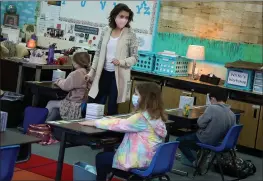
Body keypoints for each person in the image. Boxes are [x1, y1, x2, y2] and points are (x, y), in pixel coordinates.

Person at [80, 82, 167, 180]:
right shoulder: (157, 116)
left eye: (136, 94)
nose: (133, 96)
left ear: (145, 98)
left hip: (137, 161)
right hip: (152, 161)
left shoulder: (141, 118)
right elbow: (125, 123)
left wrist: (94, 122)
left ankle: (135, 177)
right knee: (108, 156)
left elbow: (119, 125)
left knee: (101, 158)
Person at [85, 3, 138, 115]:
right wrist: (91, 72)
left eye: (126, 18)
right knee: (94, 102)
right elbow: (98, 53)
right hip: (103, 73)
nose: (123, 20)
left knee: (112, 106)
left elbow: (134, 57)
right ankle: (90, 127)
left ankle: (108, 131)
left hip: (118, 75)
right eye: (121, 16)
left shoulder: (130, 34)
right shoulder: (106, 30)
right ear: (115, 16)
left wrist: (121, 62)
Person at [176, 90, 236, 166]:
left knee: (179, 141)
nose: (210, 102)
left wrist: (203, 115)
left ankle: (195, 162)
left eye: (210, 100)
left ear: (213, 98)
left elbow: (200, 124)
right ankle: (202, 155)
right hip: (220, 142)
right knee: (191, 136)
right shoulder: (232, 114)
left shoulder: (212, 108)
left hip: (206, 140)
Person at [46, 52, 91, 121]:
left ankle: (39, 124)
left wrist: (58, 81)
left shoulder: (76, 73)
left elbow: (65, 86)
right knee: (55, 110)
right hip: (82, 103)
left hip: (74, 104)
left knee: (51, 103)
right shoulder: (89, 73)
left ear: (76, 62)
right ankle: (46, 125)